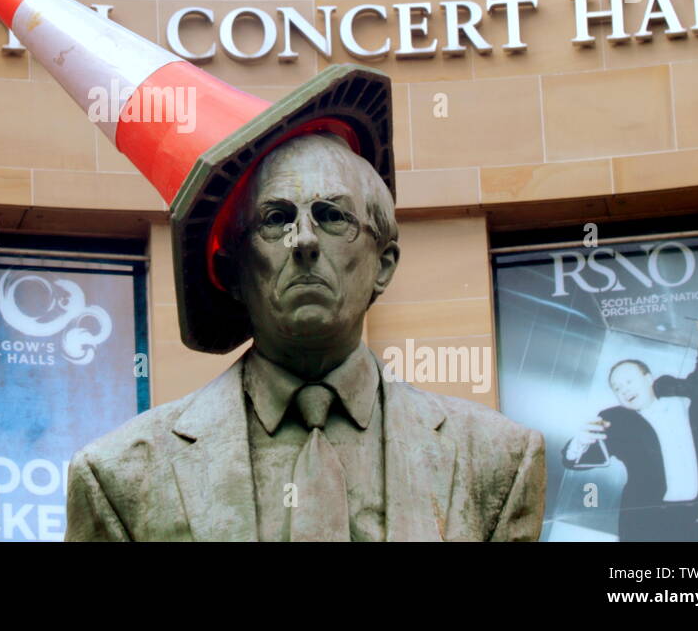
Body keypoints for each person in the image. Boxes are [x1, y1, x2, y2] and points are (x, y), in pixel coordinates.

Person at [65, 132, 545, 541]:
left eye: (332, 216)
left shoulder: (497, 460)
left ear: (383, 264)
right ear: (232, 272)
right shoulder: (120, 475)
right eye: (276, 219)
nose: (305, 241)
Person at [563, 314, 698, 541]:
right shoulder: (617, 422)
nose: (623, 390)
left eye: (628, 381)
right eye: (617, 388)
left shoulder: (681, 398)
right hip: (651, 524)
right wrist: (578, 444)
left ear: (648, 378)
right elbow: (576, 461)